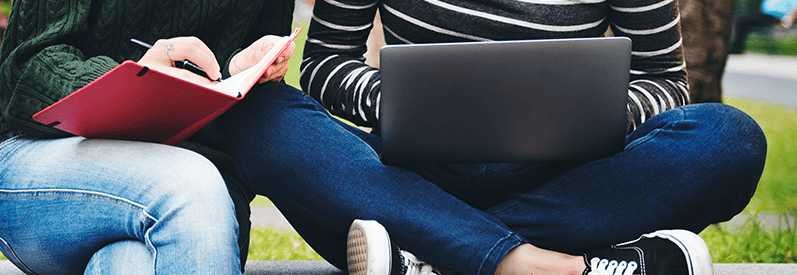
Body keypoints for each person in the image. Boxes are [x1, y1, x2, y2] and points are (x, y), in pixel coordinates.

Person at [211, 0, 769, 274]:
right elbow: (327, 65)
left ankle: (432, 257)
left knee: (730, 139)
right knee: (260, 113)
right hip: (405, 172)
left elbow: (665, 82)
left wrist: (593, 114)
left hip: (567, 178)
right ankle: (560, 266)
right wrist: (400, 101)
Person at [0, 0, 297, 274]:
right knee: (188, 184)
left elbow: (247, 120)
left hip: (195, 189)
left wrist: (240, 66)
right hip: (37, 157)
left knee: (133, 264)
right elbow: (26, 67)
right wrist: (134, 81)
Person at [731, 0, 797, 54]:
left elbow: (795, 8)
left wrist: (790, 19)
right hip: (767, 15)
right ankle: (737, 48)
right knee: (742, 21)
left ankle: (736, 48)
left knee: (742, 21)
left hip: (779, 17)